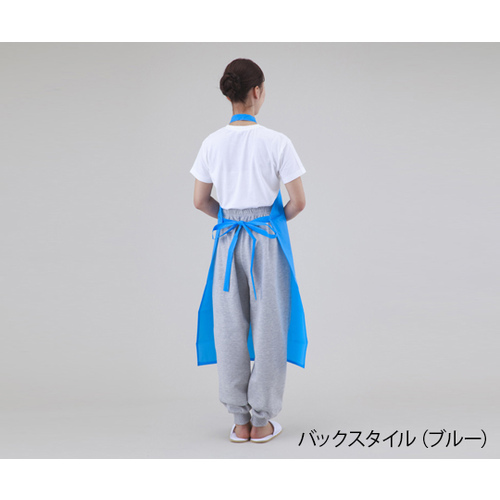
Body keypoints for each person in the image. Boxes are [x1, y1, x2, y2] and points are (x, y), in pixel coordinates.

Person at [190, 58, 308, 443]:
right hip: (265, 237)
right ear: (257, 91)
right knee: (270, 326)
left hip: (228, 238)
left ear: (229, 94)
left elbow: (200, 200)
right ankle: (262, 421)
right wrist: (271, 222)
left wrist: (229, 218)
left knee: (229, 327)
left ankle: (239, 421)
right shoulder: (277, 142)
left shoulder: (211, 143)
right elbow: (298, 202)